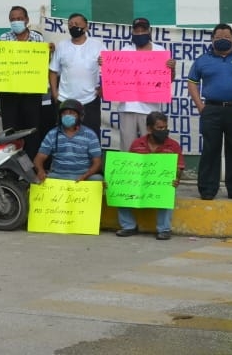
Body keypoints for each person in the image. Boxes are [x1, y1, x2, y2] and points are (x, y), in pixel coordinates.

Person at [186, 24, 232, 201]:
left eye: (227, 36)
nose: (223, 39)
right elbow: (192, 82)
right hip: (211, 110)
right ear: (212, 39)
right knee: (210, 149)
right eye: (219, 36)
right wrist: (200, 106)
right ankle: (207, 189)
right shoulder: (203, 60)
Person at [0, 6, 47, 159]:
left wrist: (49, 51)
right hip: (9, 94)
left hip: (32, 93)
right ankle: (10, 169)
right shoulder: (3, 39)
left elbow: (43, 63)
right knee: (10, 132)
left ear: (27, 20)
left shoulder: (38, 39)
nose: (16, 22)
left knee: (32, 131)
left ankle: (30, 167)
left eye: (19, 18)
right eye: (12, 19)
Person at [114, 110, 184, 241]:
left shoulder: (173, 145)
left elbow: (179, 167)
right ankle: (128, 226)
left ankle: (164, 229)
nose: (163, 130)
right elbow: (128, 167)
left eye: (165, 127)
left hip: (159, 185)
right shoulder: (137, 144)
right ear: (149, 128)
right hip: (138, 183)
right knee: (118, 188)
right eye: (159, 128)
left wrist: (176, 178)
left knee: (169, 190)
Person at [114, 17, 175, 150]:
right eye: (137, 30)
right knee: (128, 146)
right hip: (128, 106)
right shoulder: (125, 51)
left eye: (143, 30)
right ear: (132, 32)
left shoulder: (160, 51)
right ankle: (128, 171)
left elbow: (168, 80)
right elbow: (116, 75)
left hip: (150, 109)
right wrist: (106, 64)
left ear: (149, 31)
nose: (140, 33)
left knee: (151, 145)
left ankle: (150, 171)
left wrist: (172, 68)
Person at [49, 12, 105, 136]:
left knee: (91, 136)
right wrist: (54, 92)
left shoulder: (98, 46)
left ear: (86, 27)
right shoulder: (62, 46)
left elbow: (109, 69)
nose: (73, 27)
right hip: (65, 100)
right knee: (64, 136)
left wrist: (103, 88)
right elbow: (53, 71)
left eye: (77, 24)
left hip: (90, 100)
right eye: (70, 25)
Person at [33, 98, 104, 182]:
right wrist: (40, 171)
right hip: (58, 176)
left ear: (80, 116)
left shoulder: (90, 135)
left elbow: (98, 162)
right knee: (37, 180)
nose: (67, 115)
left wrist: (86, 175)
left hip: (83, 177)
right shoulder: (52, 134)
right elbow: (38, 159)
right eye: (64, 113)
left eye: (72, 113)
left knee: (98, 179)